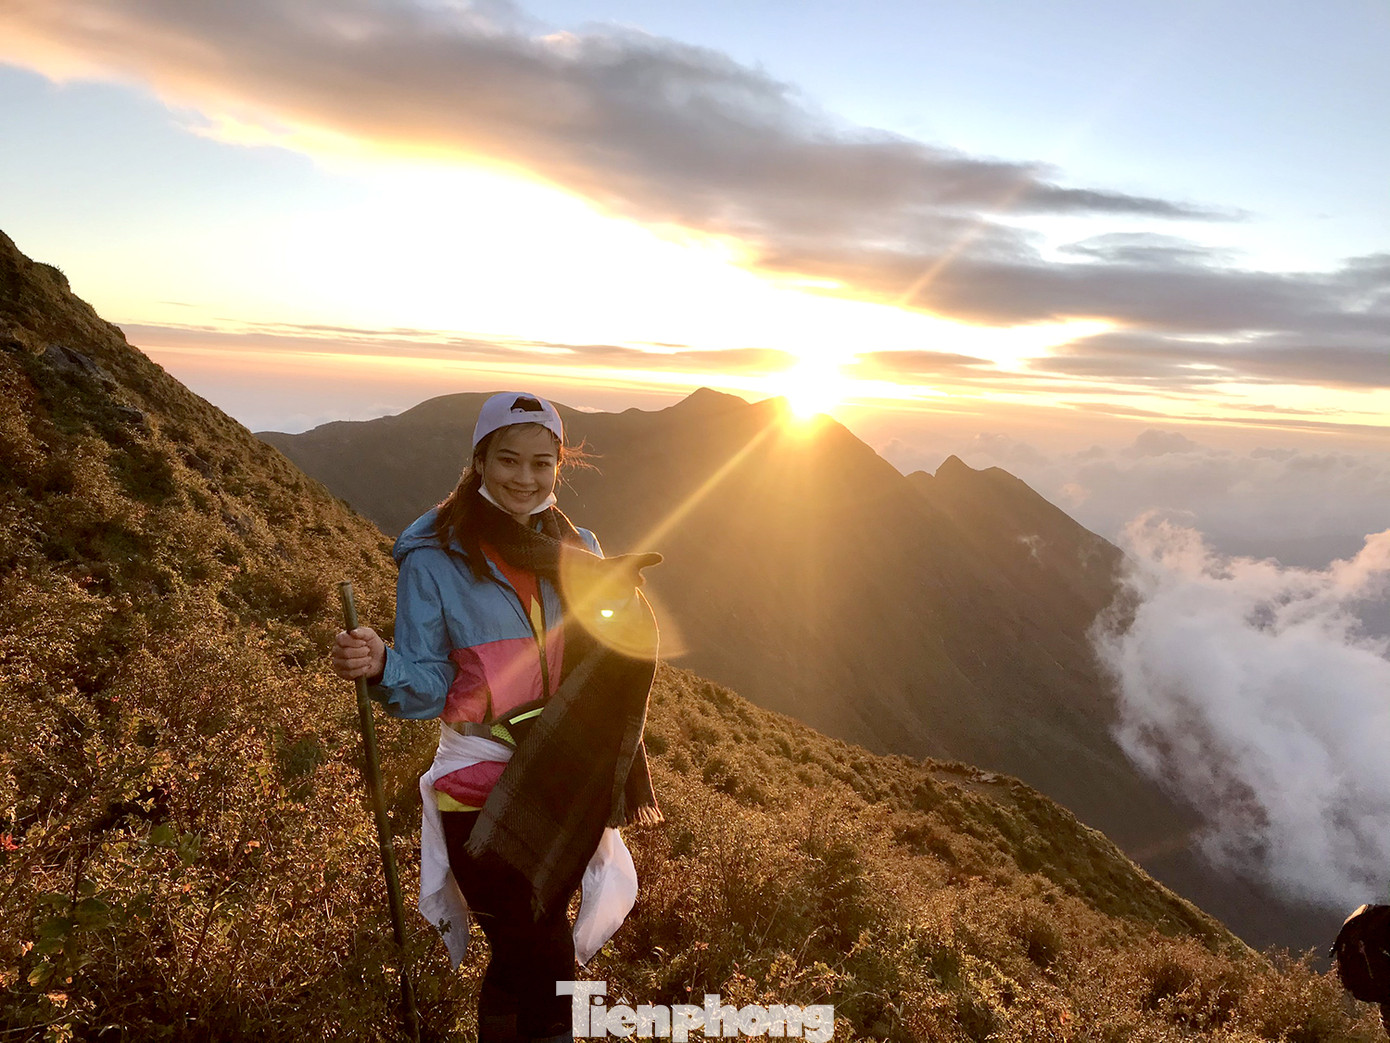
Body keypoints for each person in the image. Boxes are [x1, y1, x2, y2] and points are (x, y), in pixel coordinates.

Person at [331, 391, 663, 1043]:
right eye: (508, 459)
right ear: (480, 460)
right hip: (475, 782)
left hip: (560, 776)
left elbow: (595, 661)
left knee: (517, 956)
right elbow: (429, 686)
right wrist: (383, 664)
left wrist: (618, 603)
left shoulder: (579, 549)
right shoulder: (435, 555)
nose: (525, 477)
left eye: (542, 463)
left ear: (559, 465)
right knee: (542, 954)